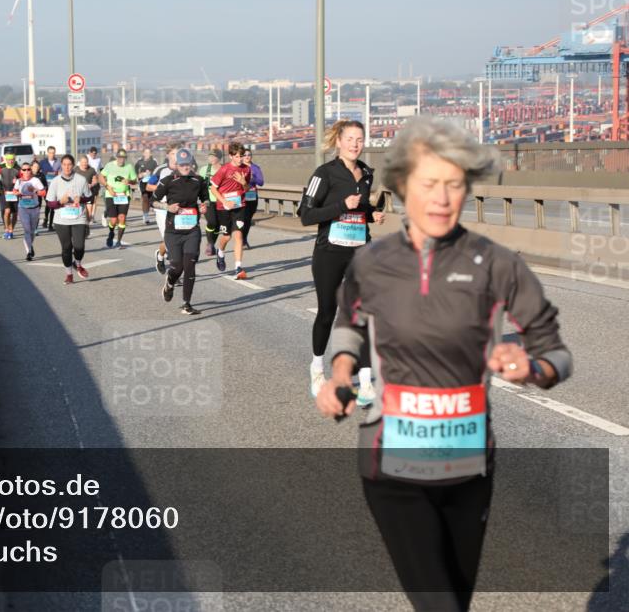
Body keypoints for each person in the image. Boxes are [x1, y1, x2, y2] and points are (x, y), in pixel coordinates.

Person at [315, 116, 571, 612]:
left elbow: (554, 350)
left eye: (454, 185)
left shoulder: (498, 264)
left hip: (469, 465)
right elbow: (349, 325)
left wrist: (533, 368)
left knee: (454, 596)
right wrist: (341, 374)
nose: (441, 198)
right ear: (403, 188)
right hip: (392, 463)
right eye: (428, 184)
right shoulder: (374, 264)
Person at [298, 120, 384, 401]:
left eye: (360, 139)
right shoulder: (324, 174)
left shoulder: (367, 173)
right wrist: (339, 207)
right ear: (338, 141)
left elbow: (361, 208)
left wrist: (372, 214)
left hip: (360, 251)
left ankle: (365, 381)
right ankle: (317, 369)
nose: (355, 144)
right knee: (327, 314)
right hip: (329, 253)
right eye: (350, 138)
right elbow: (306, 215)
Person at [153, 148, 207, 316]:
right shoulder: (168, 180)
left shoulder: (198, 180)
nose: (185, 167)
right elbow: (153, 201)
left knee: (190, 265)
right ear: (176, 165)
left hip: (192, 230)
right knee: (177, 266)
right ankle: (169, 283)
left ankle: (186, 303)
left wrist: (205, 205)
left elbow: (206, 198)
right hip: (173, 231)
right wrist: (167, 207)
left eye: (187, 164)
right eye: (182, 164)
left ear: (191, 163)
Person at [45, 154, 92, 284]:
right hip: (61, 220)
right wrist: (61, 201)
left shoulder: (81, 180)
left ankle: (77, 264)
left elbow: (89, 197)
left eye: (69, 164)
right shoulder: (55, 181)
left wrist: (80, 199)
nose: (67, 167)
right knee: (66, 248)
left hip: (78, 217)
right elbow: (49, 203)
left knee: (79, 246)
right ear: (61, 165)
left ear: (73, 165)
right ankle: (69, 274)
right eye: (64, 164)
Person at [209, 142, 252, 279]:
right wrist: (224, 201)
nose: (241, 159)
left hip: (239, 206)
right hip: (224, 207)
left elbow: (247, 189)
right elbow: (213, 189)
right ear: (231, 156)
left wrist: (243, 182)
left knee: (238, 235)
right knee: (226, 236)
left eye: (242, 156)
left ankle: (238, 267)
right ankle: (220, 252)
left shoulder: (246, 169)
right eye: (238, 157)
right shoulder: (224, 170)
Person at [145, 143, 180, 274]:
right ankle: (174, 273)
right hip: (162, 208)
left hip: (178, 208)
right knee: (170, 238)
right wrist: (164, 189)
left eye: (177, 154)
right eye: (173, 154)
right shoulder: (160, 170)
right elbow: (149, 186)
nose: (175, 157)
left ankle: (160, 256)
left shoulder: (184, 169)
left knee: (176, 239)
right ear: (167, 155)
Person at [99, 148, 137, 249]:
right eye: (120, 157)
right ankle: (111, 234)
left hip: (124, 196)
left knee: (122, 218)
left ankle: (119, 241)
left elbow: (134, 181)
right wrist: (108, 187)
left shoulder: (129, 167)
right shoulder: (110, 165)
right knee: (113, 220)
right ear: (117, 157)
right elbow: (101, 177)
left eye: (123, 158)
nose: (121, 160)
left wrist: (129, 181)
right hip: (111, 195)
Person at [15, 163, 47, 261]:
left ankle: (30, 245)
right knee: (27, 230)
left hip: (34, 208)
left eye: (28, 169)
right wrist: (18, 193)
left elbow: (44, 192)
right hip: (23, 208)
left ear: (31, 170)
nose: (26, 171)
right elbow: (14, 191)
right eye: (24, 170)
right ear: (21, 171)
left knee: (32, 231)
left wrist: (34, 191)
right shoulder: (19, 181)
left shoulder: (35, 180)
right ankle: (28, 251)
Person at [197, 149, 224, 256]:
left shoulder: (224, 169)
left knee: (219, 225)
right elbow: (199, 184)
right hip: (208, 200)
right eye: (210, 156)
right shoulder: (204, 170)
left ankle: (212, 244)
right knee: (212, 221)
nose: (211, 158)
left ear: (219, 158)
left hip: (221, 200)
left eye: (214, 156)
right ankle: (209, 243)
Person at [241, 148, 265, 249]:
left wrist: (252, 178)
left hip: (251, 195)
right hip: (240, 195)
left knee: (247, 219)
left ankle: (244, 239)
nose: (247, 157)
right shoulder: (238, 167)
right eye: (245, 155)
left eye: (249, 155)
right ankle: (241, 239)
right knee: (241, 218)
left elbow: (261, 182)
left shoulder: (255, 168)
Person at [75, 154, 100, 236]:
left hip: (88, 194)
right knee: (79, 212)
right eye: (83, 162)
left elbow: (96, 180)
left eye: (86, 162)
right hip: (78, 195)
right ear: (80, 162)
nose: (84, 164)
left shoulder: (91, 170)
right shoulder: (76, 169)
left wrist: (91, 184)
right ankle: (80, 227)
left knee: (89, 213)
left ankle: (87, 225)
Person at [0, 153, 20, 240]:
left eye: (12, 159)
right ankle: (6, 229)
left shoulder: (18, 168)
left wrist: (17, 181)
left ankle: (11, 230)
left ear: (14, 159)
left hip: (14, 193)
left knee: (15, 214)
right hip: (5, 193)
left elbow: (22, 179)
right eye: (9, 159)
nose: (11, 161)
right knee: (7, 211)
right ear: (5, 159)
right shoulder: (0, 167)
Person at [135, 148, 158, 224]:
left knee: (150, 199)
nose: (147, 154)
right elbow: (135, 173)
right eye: (146, 152)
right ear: (143, 153)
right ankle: (146, 216)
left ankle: (152, 212)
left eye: (149, 153)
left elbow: (157, 172)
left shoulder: (154, 162)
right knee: (145, 197)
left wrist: (150, 173)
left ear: (151, 154)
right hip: (143, 182)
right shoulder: (139, 162)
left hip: (151, 182)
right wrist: (140, 175)